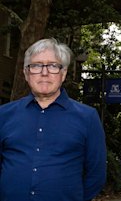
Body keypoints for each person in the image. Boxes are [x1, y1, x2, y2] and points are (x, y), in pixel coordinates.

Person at [0, 38, 107, 201]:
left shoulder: (88, 117)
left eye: (52, 66)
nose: (44, 72)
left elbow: (96, 174)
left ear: (63, 73)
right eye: (36, 66)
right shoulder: (4, 115)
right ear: (26, 73)